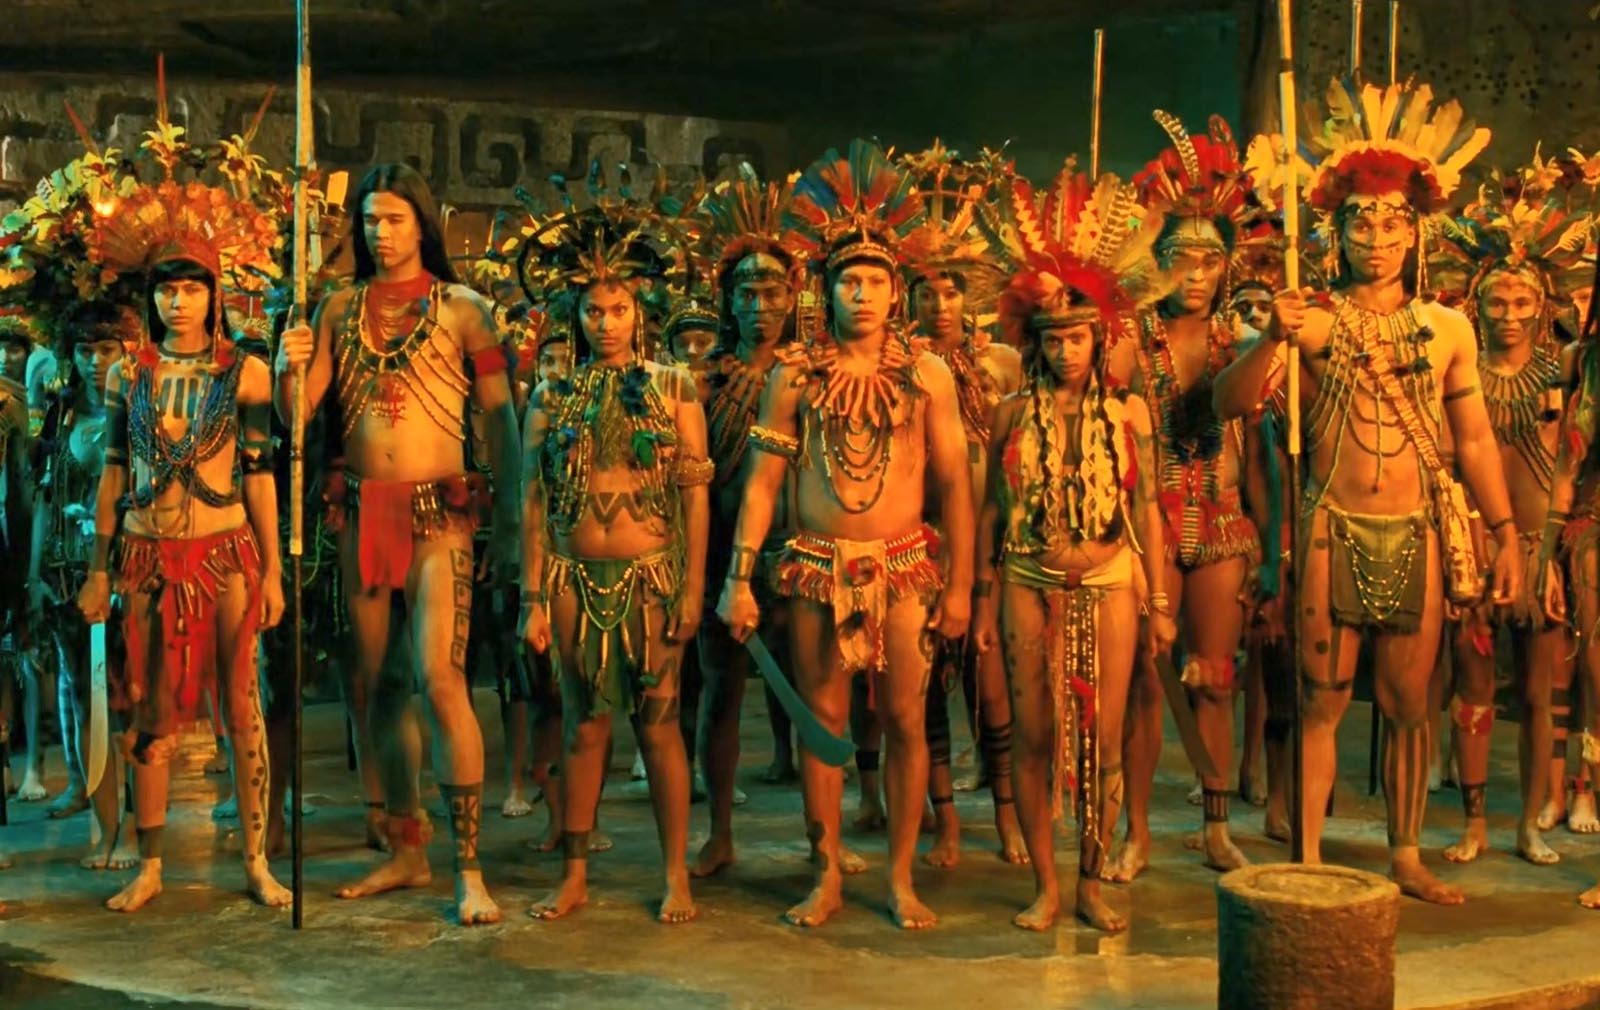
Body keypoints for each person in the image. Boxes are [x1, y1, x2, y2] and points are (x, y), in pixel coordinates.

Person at [1215, 78, 1516, 904]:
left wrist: (1505, 531)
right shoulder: (1309, 321)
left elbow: (1475, 439)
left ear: (1416, 234)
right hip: (1330, 527)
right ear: (1335, 233)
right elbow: (1229, 405)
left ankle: (1406, 853)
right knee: (1322, 699)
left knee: (1410, 702)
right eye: (1360, 223)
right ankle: (1311, 859)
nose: (1376, 240)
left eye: (1392, 224)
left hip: (1415, 528)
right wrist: (1270, 339)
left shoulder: (1448, 329)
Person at [720, 139, 973, 929]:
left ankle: (899, 877)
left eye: (876, 281)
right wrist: (737, 577)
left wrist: (962, 589)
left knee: (905, 720)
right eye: (848, 281)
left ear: (897, 292)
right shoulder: (793, 374)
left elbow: (956, 487)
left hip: (904, 567)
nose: (862, 294)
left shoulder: (928, 374)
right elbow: (762, 483)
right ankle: (826, 871)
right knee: (822, 721)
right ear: (824, 289)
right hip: (814, 568)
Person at [275, 163, 521, 926]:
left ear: (423, 224)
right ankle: (407, 849)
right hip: (363, 512)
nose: (380, 234)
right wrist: (288, 365)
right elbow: (296, 417)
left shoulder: (464, 310)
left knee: (440, 680)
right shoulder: (337, 309)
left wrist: (515, 521)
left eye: (394, 220)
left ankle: (469, 869)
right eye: (370, 221)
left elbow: (501, 421)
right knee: (378, 685)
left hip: (440, 515)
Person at [77, 166, 292, 911]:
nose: (178, 301)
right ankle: (151, 863)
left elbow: (261, 475)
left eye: (192, 288)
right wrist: (98, 568)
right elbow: (113, 470)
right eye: (166, 289)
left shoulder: (246, 375)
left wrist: (274, 571)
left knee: (242, 705)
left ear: (214, 294)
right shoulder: (126, 375)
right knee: (149, 709)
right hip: (143, 553)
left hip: (226, 551)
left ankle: (257, 860)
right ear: (151, 298)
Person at [971, 163, 1176, 931]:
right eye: (1054, 339)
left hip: (1109, 582)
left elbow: (1147, 511)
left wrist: (1160, 602)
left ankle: (1091, 882)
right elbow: (991, 515)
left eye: (1078, 337)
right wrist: (982, 601)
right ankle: (1046, 886)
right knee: (1033, 737)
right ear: (1035, 343)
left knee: (1103, 740)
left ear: (1100, 337)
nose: (1067, 352)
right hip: (1029, 581)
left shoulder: (1128, 416)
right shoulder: (1007, 413)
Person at [517, 199, 710, 924]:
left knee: (659, 727)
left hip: (654, 577)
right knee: (583, 726)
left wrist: (693, 589)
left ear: (640, 312)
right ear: (575, 315)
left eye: (619, 309)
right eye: (593, 311)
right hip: (571, 578)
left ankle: (675, 875)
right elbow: (532, 501)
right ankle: (574, 874)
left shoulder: (674, 386)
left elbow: (694, 495)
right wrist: (531, 597)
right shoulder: (551, 393)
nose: (606, 323)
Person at [1107, 114, 1263, 880]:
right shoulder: (1132, 339)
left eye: (1210, 260)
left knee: (1215, 678)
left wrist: (1277, 545)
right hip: (1151, 522)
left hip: (1224, 523)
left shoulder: (1244, 340)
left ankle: (1217, 827)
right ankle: (1135, 830)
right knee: (1147, 679)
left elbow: (1260, 452)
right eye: (1179, 259)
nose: (1195, 275)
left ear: (1228, 266)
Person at [1434, 169, 1588, 867]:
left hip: (1537, 548)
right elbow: (1449, 459)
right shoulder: (1459, 372)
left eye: (1522, 300)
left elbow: (1565, 466)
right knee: (1472, 687)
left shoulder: (1563, 373)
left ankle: (1529, 822)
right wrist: (1465, 538)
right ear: (1476, 302)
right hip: (1472, 545)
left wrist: (1547, 551)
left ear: (1542, 303)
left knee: (1536, 691)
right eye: (1496, 299)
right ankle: (1474, 821)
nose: (1509, 312)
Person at [898, 142, 1027, 868]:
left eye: (951, 293)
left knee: (992, 683)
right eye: (927, 293)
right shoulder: (898, 366)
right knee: (926, 687)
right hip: (918, 543)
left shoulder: (1001, 363)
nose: (940, 305)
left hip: (989, 545)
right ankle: (945, 819)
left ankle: (1007, 813)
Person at [687, 168, 808, 878]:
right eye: (746, 294)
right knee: (721, 694)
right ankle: (720, 832)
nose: (760, 307)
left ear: (794, 297)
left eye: (773, 293)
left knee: (814, 694)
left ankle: (821, 835)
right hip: (721, 562)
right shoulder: (704, 381)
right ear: (727, 300)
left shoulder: (813, 374)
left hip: (801, 557)